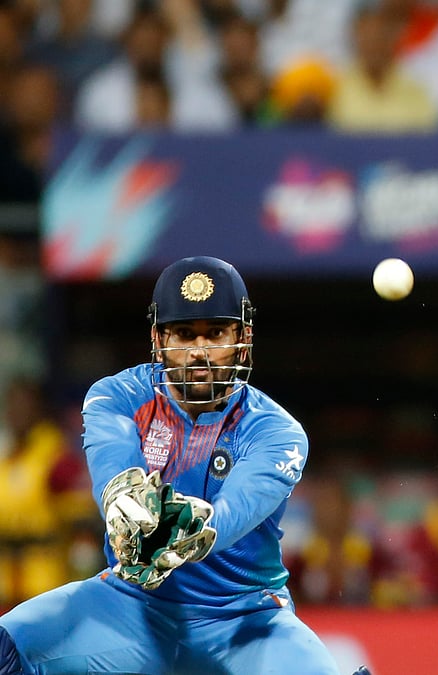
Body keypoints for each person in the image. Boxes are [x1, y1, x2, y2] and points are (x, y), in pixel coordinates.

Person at [0, 256, 361, 674]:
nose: (200, 352)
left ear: (243, 338)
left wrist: (194, 528)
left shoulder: (277, 431)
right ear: (159, 337)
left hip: (244, 621)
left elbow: (236, 510)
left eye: (216, 334)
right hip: (129, 606)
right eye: (185, 335)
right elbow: (113, 462)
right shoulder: (117, 395)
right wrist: (121, 498)